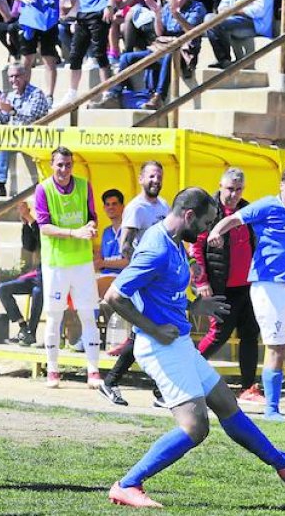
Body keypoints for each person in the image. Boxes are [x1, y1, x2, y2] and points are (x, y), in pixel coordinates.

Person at [104, 187, 285, 509]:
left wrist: (195, 306)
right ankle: (127, 484)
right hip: (160, 346)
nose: (206, 231)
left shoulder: (175, 243)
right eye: (205, 223)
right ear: (189, 215)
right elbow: (114, 296)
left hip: (178, 343)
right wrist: (154, 329)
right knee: (195, 427)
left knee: (225, 403)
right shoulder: (157, 248)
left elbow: (162, 293)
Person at [207, 165, 285, 421]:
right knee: (277, 347)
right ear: (282, 185)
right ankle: (271, 409)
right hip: (268, 287)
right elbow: (235, 218)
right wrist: (216, 231)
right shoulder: (267, 206)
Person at [98, 162, 170, 406]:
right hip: (144, 279)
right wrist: (139, 272)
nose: (156, 181)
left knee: (145, 331)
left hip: (158, 280)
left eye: (159, 176)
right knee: (150, 329)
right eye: (151, 176)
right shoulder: (136, 208)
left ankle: (113, 382)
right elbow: (125, 245)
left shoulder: (163, 206)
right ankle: (157, 391)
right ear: (141, 179)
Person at [34, 146, 102, 389]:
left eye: (68, 165)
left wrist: (91, 226)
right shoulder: (43, 189)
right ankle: (53, 370)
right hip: (56, 263)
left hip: (82, 262)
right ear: (52, 165)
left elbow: (92, 216)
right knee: (54, 316)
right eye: (60, 165)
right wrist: (75, 232)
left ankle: (93, 371)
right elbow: (44, 226)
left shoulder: (84, 185)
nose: (64, 170)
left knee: (88, 314)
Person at [193, 167, 262, 402]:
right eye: (230, 189)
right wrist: (202, 281)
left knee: (250, 334)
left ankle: (248, 387)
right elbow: (196, 249)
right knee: (218, 335)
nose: (234, 194)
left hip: (247, 286)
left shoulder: (247, 210)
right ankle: (184, 372)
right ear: (221, 186)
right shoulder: (209, 211)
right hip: (221, 287)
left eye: (239, 189)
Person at [113, 0, 206, 110]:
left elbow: (192, 31)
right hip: (162, 48)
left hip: (183, 51)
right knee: (126, 58)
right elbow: (159, 33)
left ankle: (159, 97)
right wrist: (157, 13)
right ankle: (115, 95)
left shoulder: (197, 7)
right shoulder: (168, 7)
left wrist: (176, 15)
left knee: (170, 53)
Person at [11, 0, 68, 102]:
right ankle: (23, 94)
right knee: (26, 60)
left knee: (49, 59)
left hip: (49, 18)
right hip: (28, 19)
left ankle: (49, 96)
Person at [0, 64, 51, 194]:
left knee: (5, 141)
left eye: (17, 76)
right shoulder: (10, 95)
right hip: (15, 138)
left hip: (34, 136)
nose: (13, 80)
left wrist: (12, 111)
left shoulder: (36, 94)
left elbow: (32, 117)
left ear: (25, 76)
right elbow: (3, 121)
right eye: (11, 77)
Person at [0, 201, 43, 346]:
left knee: (38, 291)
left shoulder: (50, 225)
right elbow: (29, 245)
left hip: (51, 276)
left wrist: (29, 217)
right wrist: (25, 223)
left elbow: (42, 236)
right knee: (2, 289)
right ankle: (23, 326)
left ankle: (31, 332)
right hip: (37, 275)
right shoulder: (36, 225)